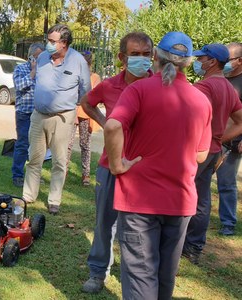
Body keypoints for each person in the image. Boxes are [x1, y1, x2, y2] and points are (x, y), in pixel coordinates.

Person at [104, 31, 212, 299]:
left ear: (155, 57)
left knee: (141, 277)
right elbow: (201, 156)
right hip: (180, 201)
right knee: (165, 277)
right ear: (188, 62)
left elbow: (113, 125)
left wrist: (117, 165)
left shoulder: (138, 90)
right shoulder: (201, 100)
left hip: (139, 200)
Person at [80, 31, 153, 294]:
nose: (142, 60)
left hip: (144, 168)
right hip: (110, 165)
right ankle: (98, 272)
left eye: (147, 55)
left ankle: (138, 274)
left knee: (141, 228)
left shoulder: (159, 86)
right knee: (104, 222)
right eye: (135, 55)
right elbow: (86, 103)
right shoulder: (110, 85)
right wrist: (104, 123)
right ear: (122, 57)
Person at [182, 43, 242, 264]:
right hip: (213, 151)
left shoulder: (203, 88)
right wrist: (219, 139)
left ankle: (179, 245)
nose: (198, 63)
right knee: (202, 200)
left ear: (212, 62)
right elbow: (240, 121)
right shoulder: (228, 87)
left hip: (198, 152)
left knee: (184, 198)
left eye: (201, 59)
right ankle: (195, 248)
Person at [22, 24, 91, 215]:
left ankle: (54, 200)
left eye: (53, 41)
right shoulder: (43, 57)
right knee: (34, 158)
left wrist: (69, 107)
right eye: (48, 40)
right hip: (38, 116)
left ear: (64, 43)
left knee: (59, 161)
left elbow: (86, 91)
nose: (48, 44)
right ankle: (28, 196)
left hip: (63, 117)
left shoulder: (78, 61)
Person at [217, 42, 242, 236]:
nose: (224, 61)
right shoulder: (220, 77)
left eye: (229, 58)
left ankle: (228, 223)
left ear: (239, 61)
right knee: (197, 178)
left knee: (226, 183)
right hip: (212, 139)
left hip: (233, 142)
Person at [66, 51, 101, 186]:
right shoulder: (73, 75)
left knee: (85, 144)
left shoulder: (95, 77)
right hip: (72, 112)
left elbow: (95, 97)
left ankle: (86, 174)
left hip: (86, 114)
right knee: (67, 144)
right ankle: (64, 170)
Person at [11, 43, 44, 187]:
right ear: (30, 56)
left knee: (38, 147)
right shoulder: (20, 69)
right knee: (22, 144)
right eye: (36, 57)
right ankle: (17, 175)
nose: (38, 60)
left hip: (40, 113)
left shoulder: (46, 71)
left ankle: (34, 176)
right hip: (24, 113)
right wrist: (33, 72)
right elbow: (19, 86)